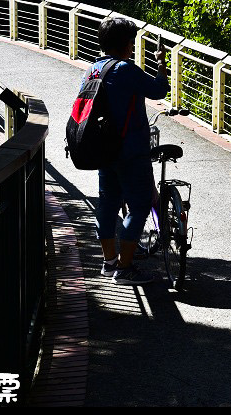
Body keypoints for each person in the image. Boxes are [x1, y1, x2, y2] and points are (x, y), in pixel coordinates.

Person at [86, 17, 169, 284]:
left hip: (103, 148)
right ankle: (124, 268)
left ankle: (109, 263)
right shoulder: (125, 69)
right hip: (130, 150)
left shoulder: (94, 69)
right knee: (141, 204)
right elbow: (159, 90)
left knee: (108, 204)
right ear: (127, 44)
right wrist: (160, 63)